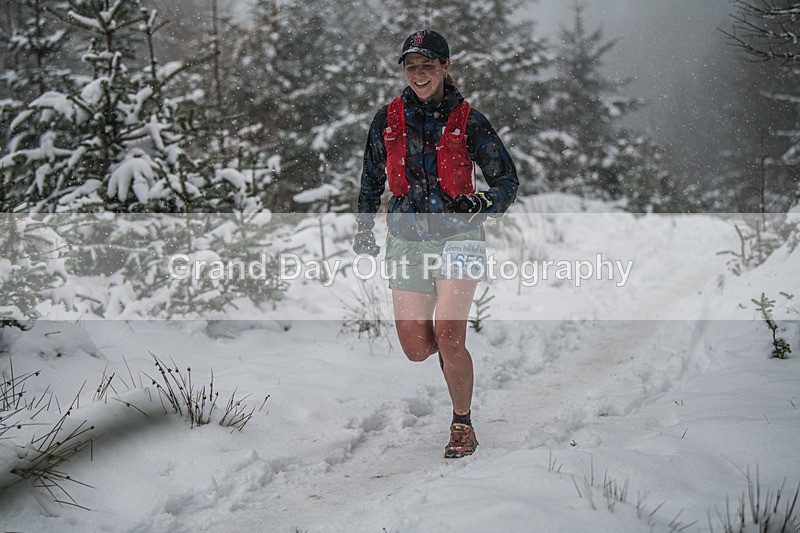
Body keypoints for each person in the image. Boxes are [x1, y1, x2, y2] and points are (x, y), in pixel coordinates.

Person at [353, 30, 518, 458]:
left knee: (448, 332)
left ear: (445, 67)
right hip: (406, 238)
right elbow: (371, 179)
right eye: (412, 66)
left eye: (428, 65)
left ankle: (462, 423)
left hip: (459, 237)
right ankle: (448, 352)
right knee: (415, 348)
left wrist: (482, 204)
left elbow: (506, 181)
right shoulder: (388, 119)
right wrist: (364, 227)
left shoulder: (469, 120)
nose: (419, 74)